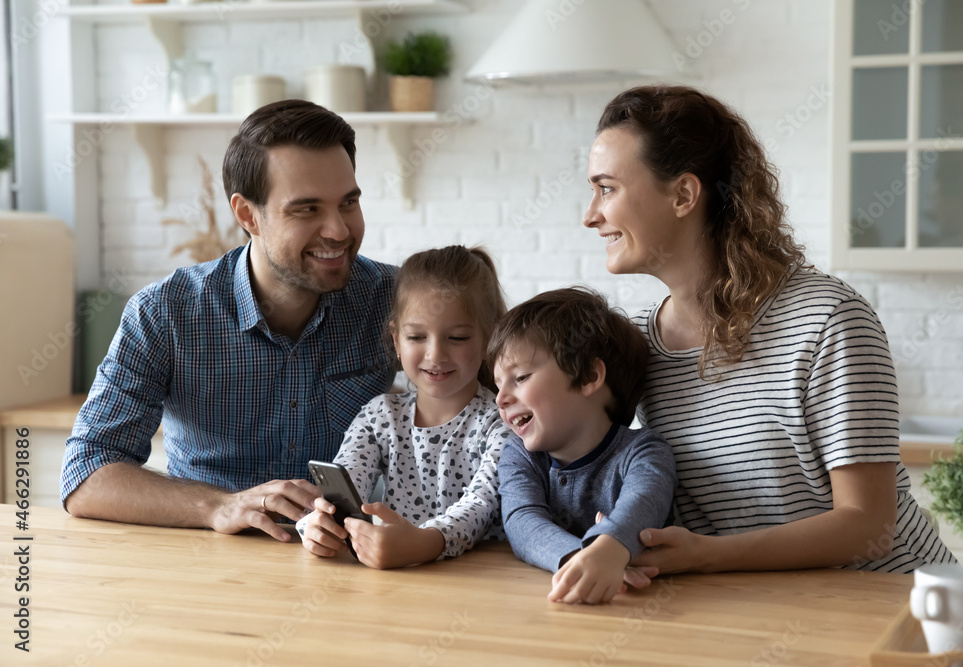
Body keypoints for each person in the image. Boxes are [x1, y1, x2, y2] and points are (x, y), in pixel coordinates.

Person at [583, 85, 956, 574]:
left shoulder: (827, 319)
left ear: (683, 194)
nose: (590, 215)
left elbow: (870, 526)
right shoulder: (636, 344)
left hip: (896, 613)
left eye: (607, 189)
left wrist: (706, 555)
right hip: (761, 616)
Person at [60, 100, 396, 543]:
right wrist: (220, 505)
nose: (338, 230)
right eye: (307, 209)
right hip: (210, 565)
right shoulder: (164, 314)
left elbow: (497, 402)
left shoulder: (393, 300)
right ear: (247, 215)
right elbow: (87, 473)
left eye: (348, 202)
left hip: (349, 561)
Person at [297, 246, 512, 569]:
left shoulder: (502, 424)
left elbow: (481, 505)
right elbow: (343, 484)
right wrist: (315, 524)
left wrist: (425, 543)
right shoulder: (378, 416)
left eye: (457, 338)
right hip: (399, 582)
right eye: (417, 337)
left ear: (488, 339)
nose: (435, 354)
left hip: (480, 580)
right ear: (396, 339)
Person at [490, 287, 677, 605]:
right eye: (498, 385)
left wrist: (611, 547)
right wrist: (585, 559)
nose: (500, 399)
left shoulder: (645, 452)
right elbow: (522, 523)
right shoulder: (519, 454)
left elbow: (643, 504)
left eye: (520, 377)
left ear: (590, 375)